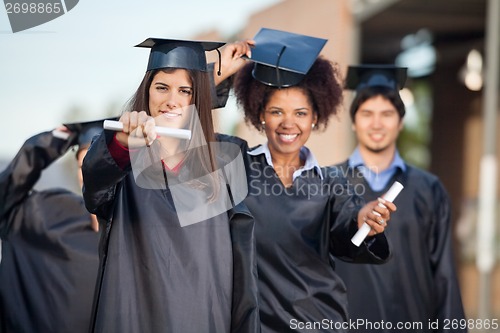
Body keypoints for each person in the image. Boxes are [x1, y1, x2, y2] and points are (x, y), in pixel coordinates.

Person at [218, 28, 397, 333]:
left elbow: (347, 238)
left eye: (301, 113)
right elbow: (183, 144)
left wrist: (363, 223)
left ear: (315, 117)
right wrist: (218, 72)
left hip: (319, 321)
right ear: (260, 114)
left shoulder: (332, 182)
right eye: (276, 111)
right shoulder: (236, 165)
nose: (289, 123)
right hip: (253, 322)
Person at [81, 38, 260, 333]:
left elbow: (243, 268)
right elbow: (95, 183)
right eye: (161, 87)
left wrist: (211, 72)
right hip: (135, 316)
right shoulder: (123, 159)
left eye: (185, 91)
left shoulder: (223, 161)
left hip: (205, 317)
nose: (171, 99)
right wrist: (125, 143)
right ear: (146, 93)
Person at [334, 65, 467, 332]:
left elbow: (444, 276)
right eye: (367, 113)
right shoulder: (329, 184)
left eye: (387, 114)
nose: (377, 124)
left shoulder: (429, 189)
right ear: (353, 120)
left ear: (401, 121)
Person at [0, 120, 103, 333]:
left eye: (101, 164)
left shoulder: (140, 236)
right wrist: (51, 142)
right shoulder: (45, 216)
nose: (90, 174)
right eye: (85, 165)